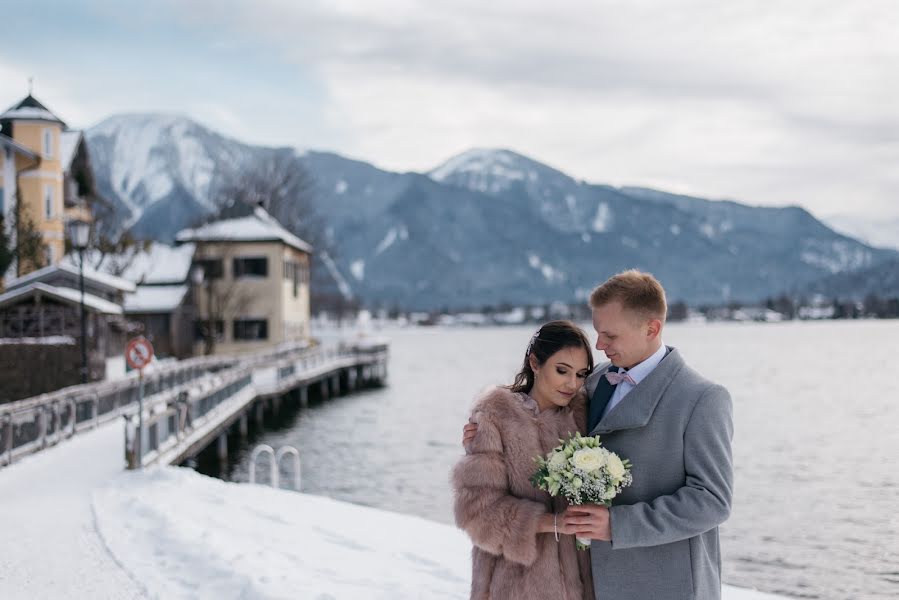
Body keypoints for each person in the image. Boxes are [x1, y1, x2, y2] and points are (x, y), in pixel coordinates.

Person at [463, 270, 734, 600]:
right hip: (587, 582)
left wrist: (618, 525)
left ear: (652, 328)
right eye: (597, 333)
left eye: (610, 336)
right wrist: (489, 436)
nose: (600, 345)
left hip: (664, 583)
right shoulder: (594, 382)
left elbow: (712, 501)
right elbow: (541, 418)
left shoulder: (702, 398)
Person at [452, 320, 596, 600]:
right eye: (562, 370)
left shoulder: (581, 415)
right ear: (535, 362)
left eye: (581, 374)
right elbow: (476, 513)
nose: (572, 384)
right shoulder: (494, 415)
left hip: (578, 585)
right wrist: (552, 523)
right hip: (512, 586)